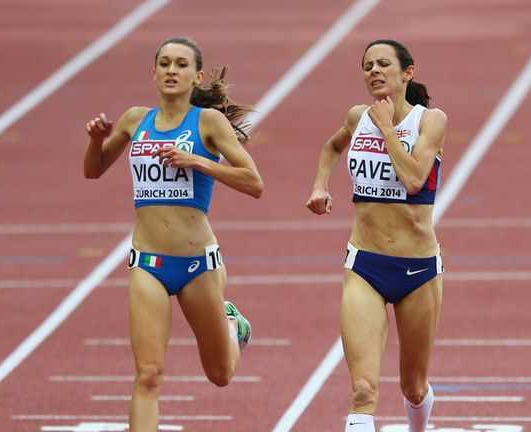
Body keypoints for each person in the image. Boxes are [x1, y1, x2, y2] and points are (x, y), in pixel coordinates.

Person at [83, 36, 263, 432]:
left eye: (181, 64)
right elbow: (93, 170)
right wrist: (96, 141)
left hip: (198, 263)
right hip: (147, 262)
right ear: (153, 72)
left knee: (220, 374)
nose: (171, 70)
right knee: (148, 375)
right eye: (164, 63)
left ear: (196, 76)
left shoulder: (207, 122)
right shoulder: (135, 119)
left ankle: (234, 326)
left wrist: (198, 160)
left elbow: (254, 182)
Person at [306, 39, 446, 432]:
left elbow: (415, 180)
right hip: (365, 265)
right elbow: (333, 146)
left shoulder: (430, 121)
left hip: (418, 271)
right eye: (368, 66)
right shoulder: (357, 117)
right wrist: (320, 185)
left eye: (384, 64)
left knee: (413, 387)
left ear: (407, 73)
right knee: (363, 391)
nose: (374, 71)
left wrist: (386, 128)